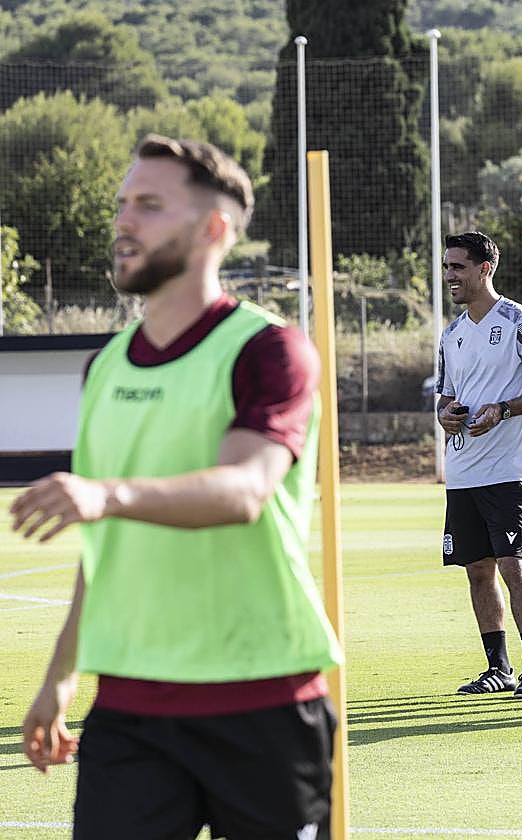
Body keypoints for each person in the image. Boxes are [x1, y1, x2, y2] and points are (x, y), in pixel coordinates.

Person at [12, 134, 343, 839]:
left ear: (213, 229)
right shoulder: (105, 367)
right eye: (123, 202)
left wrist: (107, 495)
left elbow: (244, 489)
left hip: (263, 701)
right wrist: (61, 675)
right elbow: (104, 544)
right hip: (130, 710)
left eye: (150, 205)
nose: (124, 220)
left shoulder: (268, 350)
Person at [435, 231, 522, 698]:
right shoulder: (452, 333)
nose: (450, 276)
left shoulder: (519, 321)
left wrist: (503, 409)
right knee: (477, 570)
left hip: (507, 469)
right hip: (463, 471)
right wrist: (446, 414)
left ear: (485, 268)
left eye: (458, 267)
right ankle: (497, 668)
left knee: (513, 564)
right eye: (447, 267)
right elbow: (446, 395)